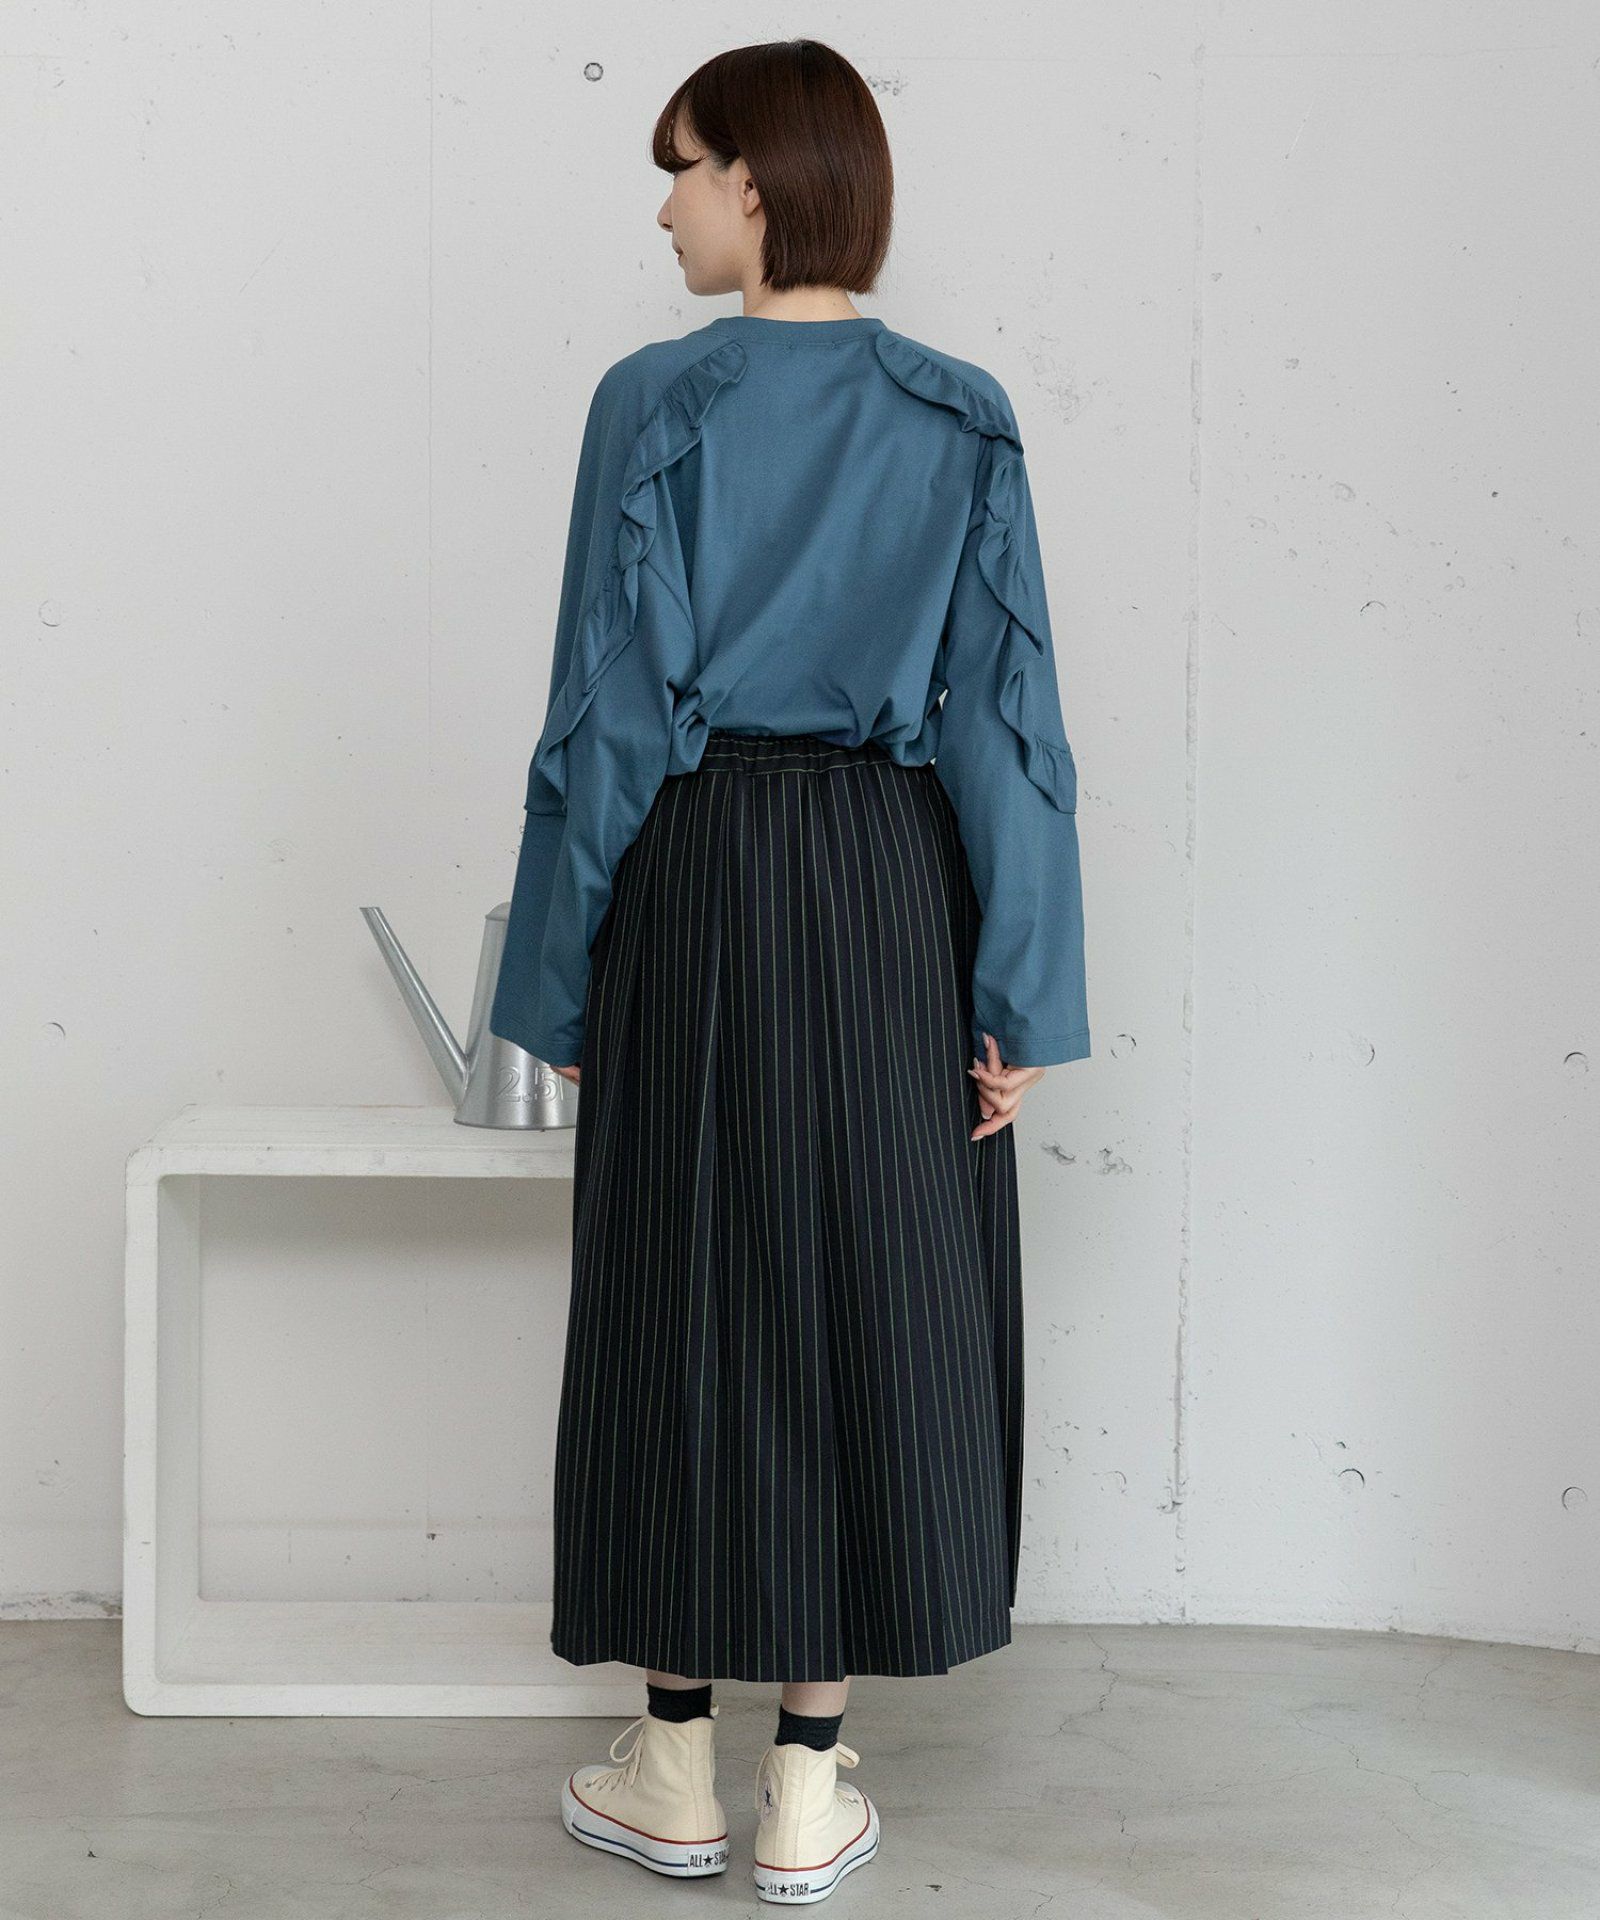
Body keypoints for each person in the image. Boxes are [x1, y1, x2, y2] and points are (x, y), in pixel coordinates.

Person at [488, 36, 1090, 1906]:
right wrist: (1022, 998)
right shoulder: (963, 414)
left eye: (680, 169)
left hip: (696, 873)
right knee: (870, 1293)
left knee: (681, 1288)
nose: (664, 208)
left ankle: (672, 1765)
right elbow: (1008, 722)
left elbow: (605, 714)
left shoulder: (654, 402)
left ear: (756, 182)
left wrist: (558, 984)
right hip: (894, 888)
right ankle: (807, 1790)